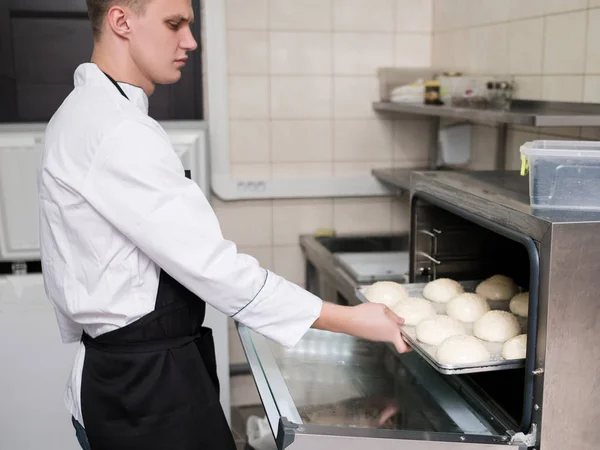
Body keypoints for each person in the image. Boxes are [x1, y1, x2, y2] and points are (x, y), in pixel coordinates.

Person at [38, 0, 410, 449]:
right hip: (146, 395)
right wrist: (351, 318)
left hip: (117, 376)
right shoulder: (116, 130)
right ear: (121, 21)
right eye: (175, 24)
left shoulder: (82, 113)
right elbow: (214, 269)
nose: (190, 42)